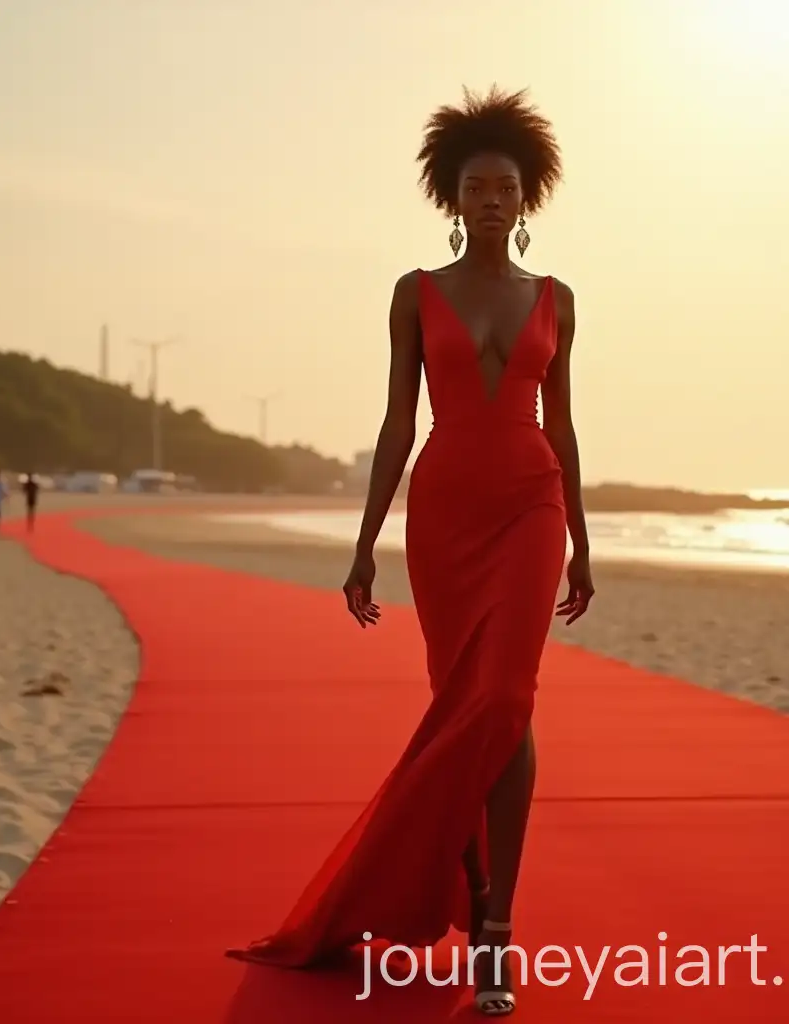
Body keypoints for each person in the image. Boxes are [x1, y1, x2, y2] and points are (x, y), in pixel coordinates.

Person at [226, 86, 594, 1016]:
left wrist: (583, 542)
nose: (492, 199)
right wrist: (364, 542)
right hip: (444, 515)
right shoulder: (413, 294)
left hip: (531, 505)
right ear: (451, 194)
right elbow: (397, 424)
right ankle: (470, 908)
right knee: (458, 711)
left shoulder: (557, 300)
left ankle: (500, 935)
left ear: (528, 196)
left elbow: (565, 425)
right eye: (476, 185)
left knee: (506, 702)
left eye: (506, 185)